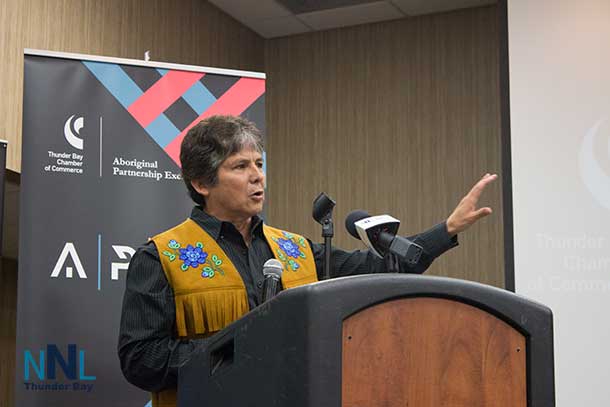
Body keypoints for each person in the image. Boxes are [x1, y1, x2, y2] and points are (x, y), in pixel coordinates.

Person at [118, 115, 497, 407]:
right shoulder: (161, 257)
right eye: (240, 167)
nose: (257, 177)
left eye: (259, 164)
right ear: (201, 183)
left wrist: (446, 229)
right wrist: (237, 348)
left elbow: (383, 267)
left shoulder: (295, 249)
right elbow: (140, 360)